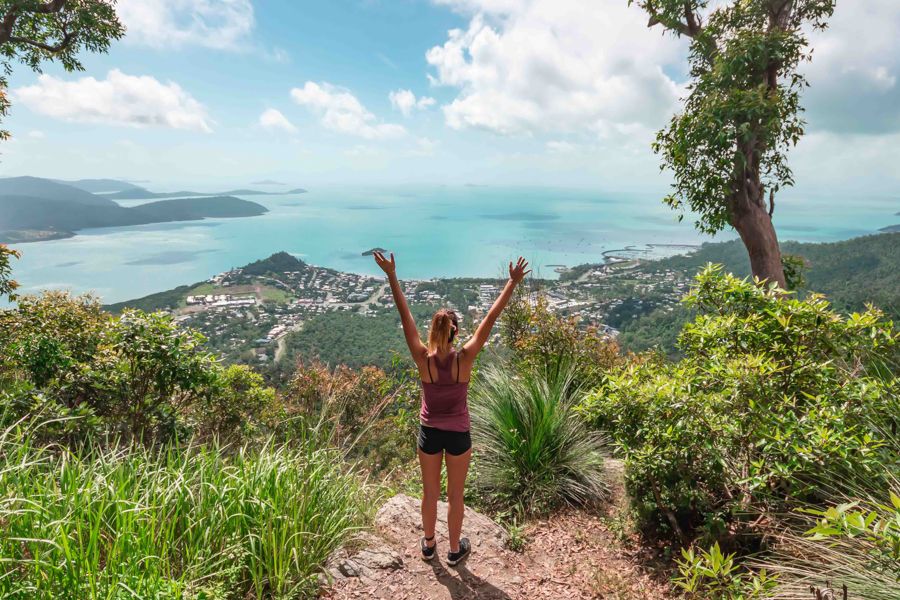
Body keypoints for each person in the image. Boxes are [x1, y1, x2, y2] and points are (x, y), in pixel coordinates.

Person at [372, 251, 530, 567]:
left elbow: (406, 318)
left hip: (429, 434)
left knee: (429, 494)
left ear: (433, 332)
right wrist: (512, 283)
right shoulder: (464, 359)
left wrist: (391, 275)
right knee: (456, 496)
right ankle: (455, 549)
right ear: (455, 332)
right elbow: (490, 319)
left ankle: (429, 545)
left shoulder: (423, 359)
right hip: (459, 435)